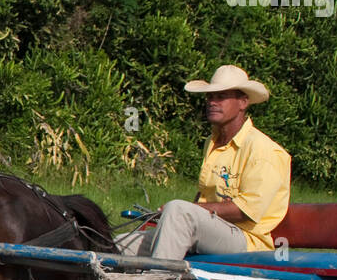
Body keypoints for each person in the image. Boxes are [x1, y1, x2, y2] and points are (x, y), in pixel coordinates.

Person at [119, 65, 291, 260]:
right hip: (212, 231)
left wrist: (184, 211)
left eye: (221, 96)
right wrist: (170, 217)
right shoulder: (212, 142)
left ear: (243, 102)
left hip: (246, 240)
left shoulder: (263, 150)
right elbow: (203, 198)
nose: (212, 102)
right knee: (119, 244)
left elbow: (246, 211)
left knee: (178, 210)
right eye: (210, 97)